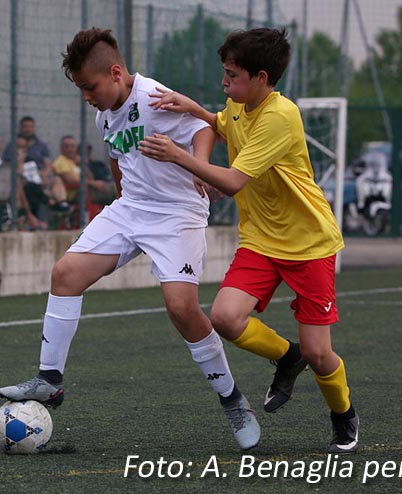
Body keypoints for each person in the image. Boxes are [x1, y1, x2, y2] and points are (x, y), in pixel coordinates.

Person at [0, 27, 261, 451]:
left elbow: (203, 125)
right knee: (66, 274)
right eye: (82, 89)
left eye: (90, 87)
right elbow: (118, 157)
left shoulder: (152, 96)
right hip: (131, 208)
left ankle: (233, 401)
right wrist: (121, 199)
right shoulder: (104, 113)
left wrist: (199, 166)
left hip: (177, 215)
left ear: (116, 73)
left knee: (182, 308)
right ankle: (49, 379)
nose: (87, 96)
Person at [138, 27, 359, 454]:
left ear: (261, 78)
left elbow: (234, 181)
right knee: (224, 317)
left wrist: (179, 156)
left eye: (232, 75)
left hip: (308, 244)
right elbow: (225, 127)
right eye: (224, 73)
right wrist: (195, 109)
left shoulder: (280, 116)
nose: (224, 82)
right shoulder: (239, 104)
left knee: (320, 354)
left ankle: (343, 413)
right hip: (260, 240)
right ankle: (287, 356)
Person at [51, 135, 82, 204]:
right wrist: (93, 183)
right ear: (61, 149)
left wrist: (83, 164)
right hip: (73, 196)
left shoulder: (75, 161)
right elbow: (71, 180)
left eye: (72, 146)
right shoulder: (61, 161)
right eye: (66, 147)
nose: (70, 149)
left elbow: (90, 177)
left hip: (82, 192)